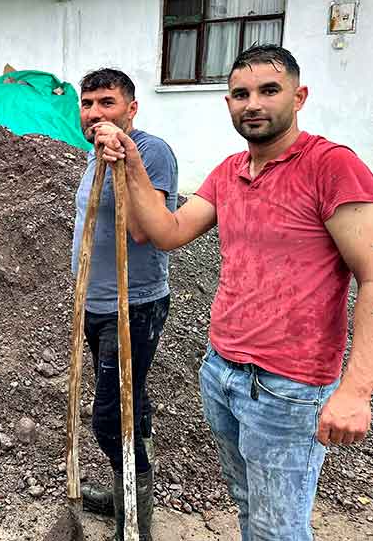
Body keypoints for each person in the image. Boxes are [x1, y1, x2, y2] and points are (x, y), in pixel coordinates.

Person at [93, 45, 373, 541]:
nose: (253, 104)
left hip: (290, 387)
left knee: (277, 531)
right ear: (228, 104)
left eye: (269, 90)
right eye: (240, 94)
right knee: (248, 508)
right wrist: (132, 159)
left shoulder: (331, 167)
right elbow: (169, 230)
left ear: (299, 96)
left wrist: (356, 390)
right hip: (222, 372)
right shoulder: (229, 172)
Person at [72, 69, 178, 540]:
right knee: (125, 403)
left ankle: (136, 522)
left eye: (107, 103)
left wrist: (124, 160)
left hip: (130, 306)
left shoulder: (150, 152)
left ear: (131, 109)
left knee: (113, 414)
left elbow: (142, 230)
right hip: (95, 305)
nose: (95, 113)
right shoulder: (94, 156)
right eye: (87, 103)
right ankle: (124, 493)